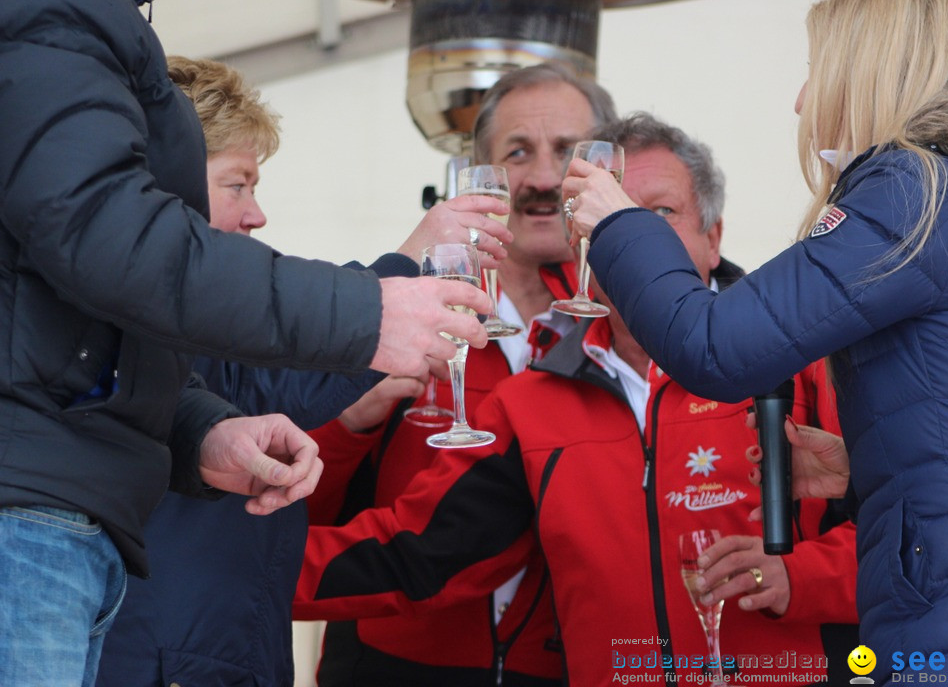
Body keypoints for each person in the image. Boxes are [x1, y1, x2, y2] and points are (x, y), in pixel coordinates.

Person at [565, 0, 948, 680]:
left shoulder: (918, 190)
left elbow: (717, 348)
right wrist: (874, 467)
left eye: (816, 72)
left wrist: (621, 223)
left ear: (867, 71)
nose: (803, 101)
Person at [0, 0, 498, 684]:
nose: (258, 214)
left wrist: (204, 432)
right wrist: (392, 280)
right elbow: (249, 366)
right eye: (238, 182)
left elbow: (140, 370)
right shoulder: (52, 0)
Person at [294, 112, 859, 686]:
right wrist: (237, 564)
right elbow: (419, 556)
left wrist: (803, 577)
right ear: (581, 244)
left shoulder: (803, 363)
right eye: (611, 216)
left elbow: (927, 530)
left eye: (659, 213)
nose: (634, 236)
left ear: (713, 239)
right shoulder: (531, 402)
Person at [303, 62, 617, 686]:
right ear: (481, 175)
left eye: (567, 152)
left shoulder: (625, 324)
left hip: (560, 666)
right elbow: (302, 507)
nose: (546, 178)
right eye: (519, 152)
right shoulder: (400, 306)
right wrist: (348, 427)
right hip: (392, 666)